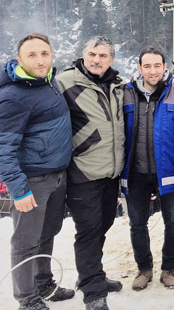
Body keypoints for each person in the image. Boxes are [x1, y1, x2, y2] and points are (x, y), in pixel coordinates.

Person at [0, 33, 73, 310]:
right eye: (32, 55)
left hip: (56, 175)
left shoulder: (48, 82)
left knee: (47, 233)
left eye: (44, 53)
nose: (40, 60)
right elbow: (3, 148)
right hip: (32, 180)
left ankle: (43, 284)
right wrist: (18, 189)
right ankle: (26, 299)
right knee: (25, 241)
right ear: (19, 60)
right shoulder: (13, 97)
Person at [56, 36, 125, 310]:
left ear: (111, 59)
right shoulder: (65, 83)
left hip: (111, 172)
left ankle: (91, 275)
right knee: (88, 231)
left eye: (103, 56)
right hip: (83, 171)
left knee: (104, 226)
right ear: (84, 54)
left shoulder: (119, 85)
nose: (97, 60)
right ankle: (94, 291)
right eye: (92, 54)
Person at [120, 47, 174, 290]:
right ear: (140, 68)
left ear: (164, 67)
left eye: (157, 66)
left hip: (169, 171)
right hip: (135, 172)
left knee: (173, 222)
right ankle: (144, 269)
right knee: (137, 223)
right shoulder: (126, 94)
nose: (153, 71)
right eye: (147, 66)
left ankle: (169, 269)